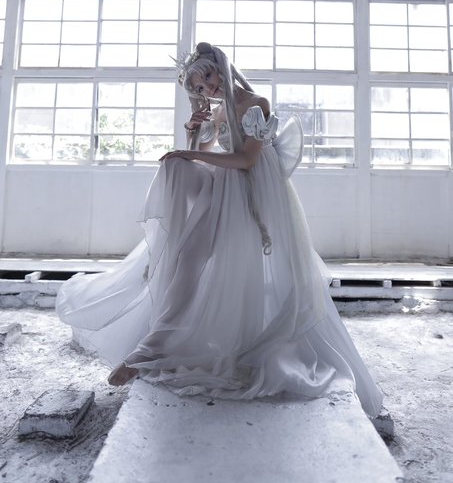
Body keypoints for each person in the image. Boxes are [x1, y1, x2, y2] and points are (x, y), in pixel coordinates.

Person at [56, 42, 383, 416]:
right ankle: (153, 344)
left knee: (227, 269)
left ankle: (172, 350)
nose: (207, 88)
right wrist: (193, 132)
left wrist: (192, 152)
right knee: (185, 243)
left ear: (221, 68)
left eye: (208, 77)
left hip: (251, 194)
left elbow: (245, 160)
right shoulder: (218, 110)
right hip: (221, 189)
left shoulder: (255, 104)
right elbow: (204, 150)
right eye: (198, 87)